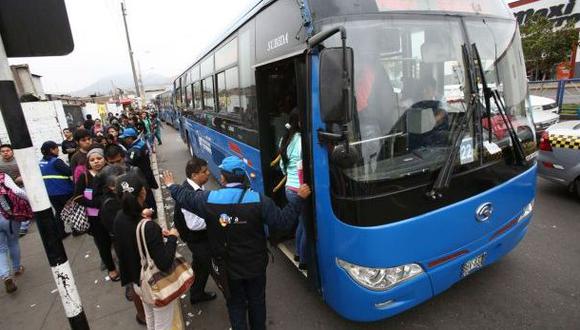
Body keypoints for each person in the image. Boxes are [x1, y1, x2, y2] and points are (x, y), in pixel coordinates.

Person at [162, 156, 311, 330]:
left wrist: (171, 185)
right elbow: (283, 222)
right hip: (255, 265)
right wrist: (299, 198)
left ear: (223, 178)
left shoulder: (208, 199)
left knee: (235, 305)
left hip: (227, 268)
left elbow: (185, 197)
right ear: (244, 177)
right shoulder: (260, 201)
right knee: (257, 302)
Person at [114, 172, 180, 329]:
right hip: (155, 284)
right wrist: (172, 237)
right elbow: (164, 262)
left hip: (138, 281)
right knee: (163, 324)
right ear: (143, 192)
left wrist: (141, 216)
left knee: (150, 317)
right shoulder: (148, 227)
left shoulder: (119, 217)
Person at [172, 157, 216, 305]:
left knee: (200, 265)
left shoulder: (196, 187)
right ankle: (232, 296)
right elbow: (195, 225)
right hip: (196, 238)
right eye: (204, 171)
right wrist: (217, 219)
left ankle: (196, 294)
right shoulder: (189, 193)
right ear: (194, 175)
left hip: (198, 237)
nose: (208, 173)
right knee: (214, 267)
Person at [74, 146, 120, 281]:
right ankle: (111, 268)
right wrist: (96, 203)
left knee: (118, 240)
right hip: (95, 218)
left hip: (112, 215)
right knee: (103, 243)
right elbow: (77, 197)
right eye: (92, 159)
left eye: (99, 158)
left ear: (104, 159)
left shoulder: (111, 173)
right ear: (88, 162)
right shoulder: (84, 177)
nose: (96, 162)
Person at [278, 108, 307, 269]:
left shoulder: (285, 140)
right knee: (307, 226)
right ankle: (304, 261)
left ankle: (297, 253)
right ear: (300, 122)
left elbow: (283, 166)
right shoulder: (303, 141)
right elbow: (306, 166)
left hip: (289, 188)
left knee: (301, 223)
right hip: (300, 191)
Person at [39, 141, 74, 240]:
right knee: (71, 210)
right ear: (51, 150)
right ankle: (76, 229)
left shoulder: (41, 163)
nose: (58, 150)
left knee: (59, 212)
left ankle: (60, 233)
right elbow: (68, 171)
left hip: (51, 193)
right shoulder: (56, 161)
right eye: (56, 148)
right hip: (64, 190)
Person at [0, 172, 27, 293]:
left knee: (0, 249)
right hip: (8, 216)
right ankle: (17, 268)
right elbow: (18, 191)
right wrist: (30, 200)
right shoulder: (2, 176)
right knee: (13, 242)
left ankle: (6, 276)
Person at [120, 127, 159, 211]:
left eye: (125, 138)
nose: (124, 141)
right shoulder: (141, 143)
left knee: (146, 196)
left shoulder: (134, 150)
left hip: (142, 176)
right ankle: (153, 209)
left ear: (130, 138)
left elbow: (129, 162)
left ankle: (152, 211)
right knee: (149, 194)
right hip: (147, 171)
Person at [0, 144, 29, 236]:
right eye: (3, 151)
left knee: (25, 204)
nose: (5, 153)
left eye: (7, 150)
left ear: (12, 151)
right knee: (13, 207)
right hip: (7, 190)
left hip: (22, 186)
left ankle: (23, 227)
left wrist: (23, 177)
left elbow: (28, 171)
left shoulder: (20, 161)